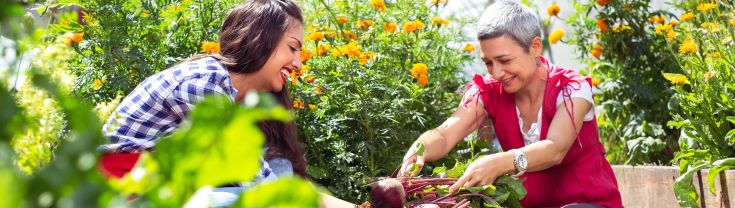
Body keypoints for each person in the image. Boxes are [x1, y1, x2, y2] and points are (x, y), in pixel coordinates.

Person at [97, 0, 352, 207]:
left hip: (164, 177)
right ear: (261, 39)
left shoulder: (235, 94)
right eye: (292, 48)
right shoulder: (205, 85)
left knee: (280, 166)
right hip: (123, 186)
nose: (298, 63)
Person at [397, 1, 622, 207]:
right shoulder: (489, 91)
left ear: (535, 47)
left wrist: (501, 162)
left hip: (588, 203)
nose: (496, 72)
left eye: (504, 61)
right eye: (488, 63)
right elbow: (446, 133)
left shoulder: (572, 88)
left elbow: (555, 149)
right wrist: (420, 149)